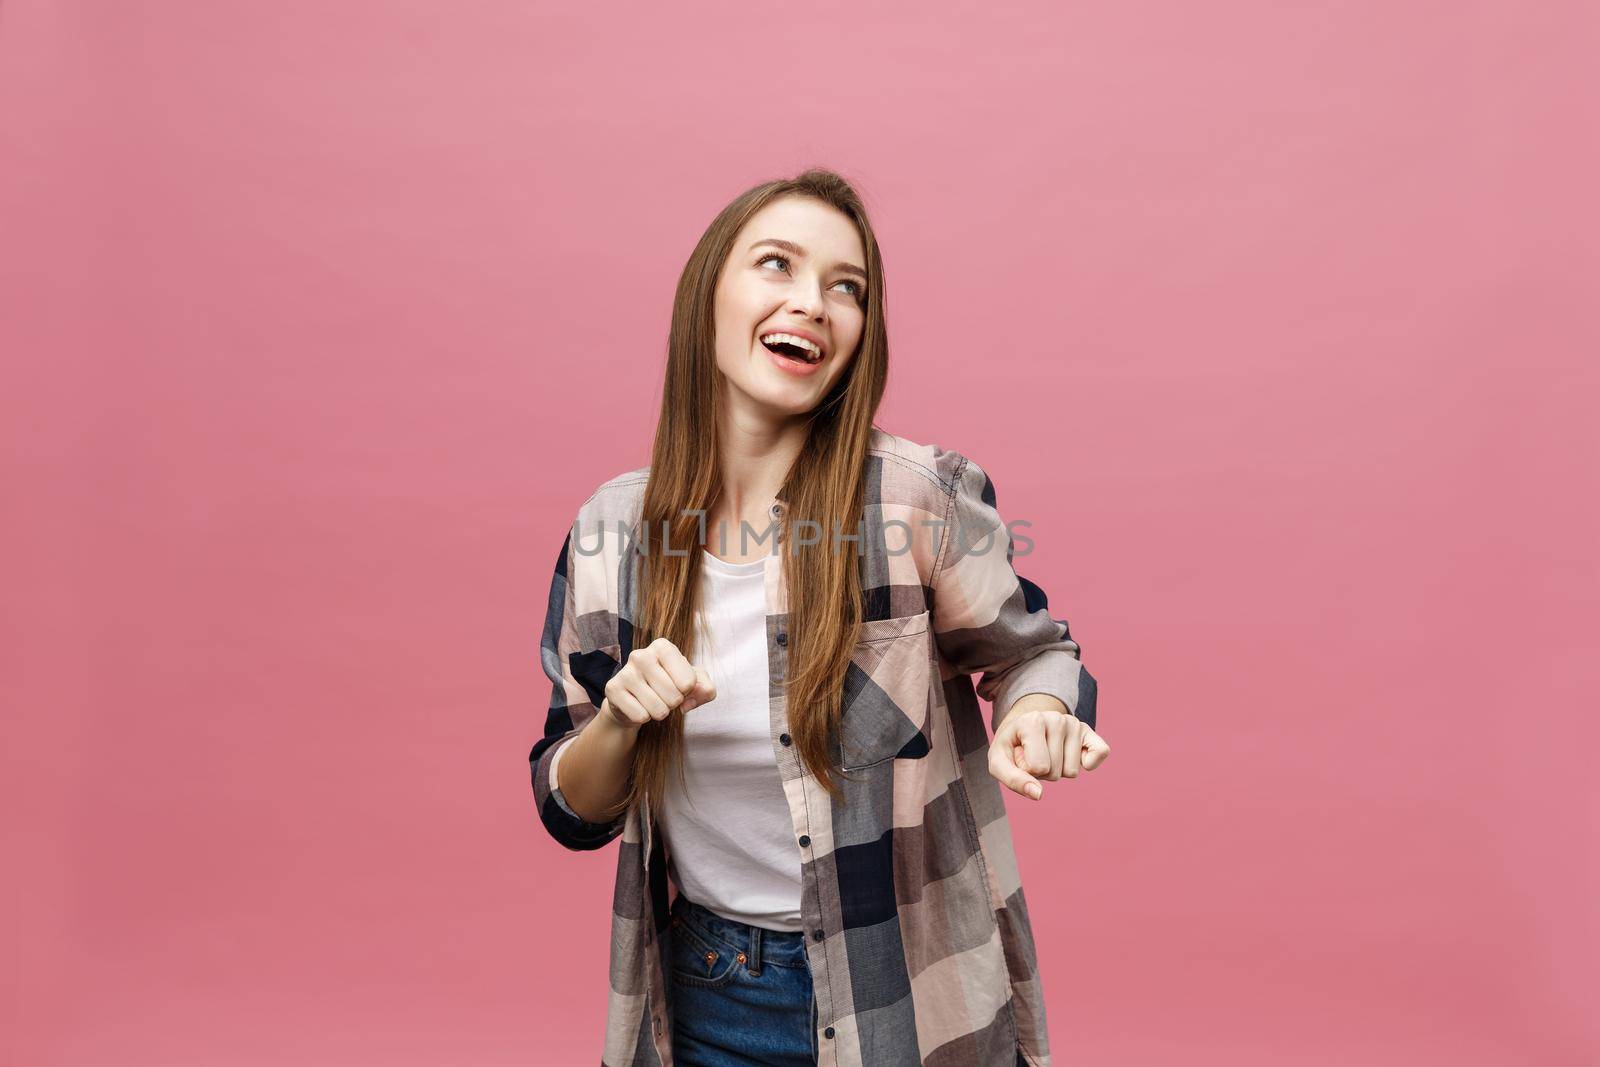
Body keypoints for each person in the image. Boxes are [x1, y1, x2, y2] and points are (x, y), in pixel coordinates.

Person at [529, 168, 1109, 1067]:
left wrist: (1039, 711)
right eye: (778, 265)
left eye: (849, 288)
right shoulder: (613, 532)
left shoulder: (918, 501)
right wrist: (619, 717)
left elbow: (1036, 652)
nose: (816, 303)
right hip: (704, 998)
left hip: (909, 997)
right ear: (707, 293)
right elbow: (570, 804)